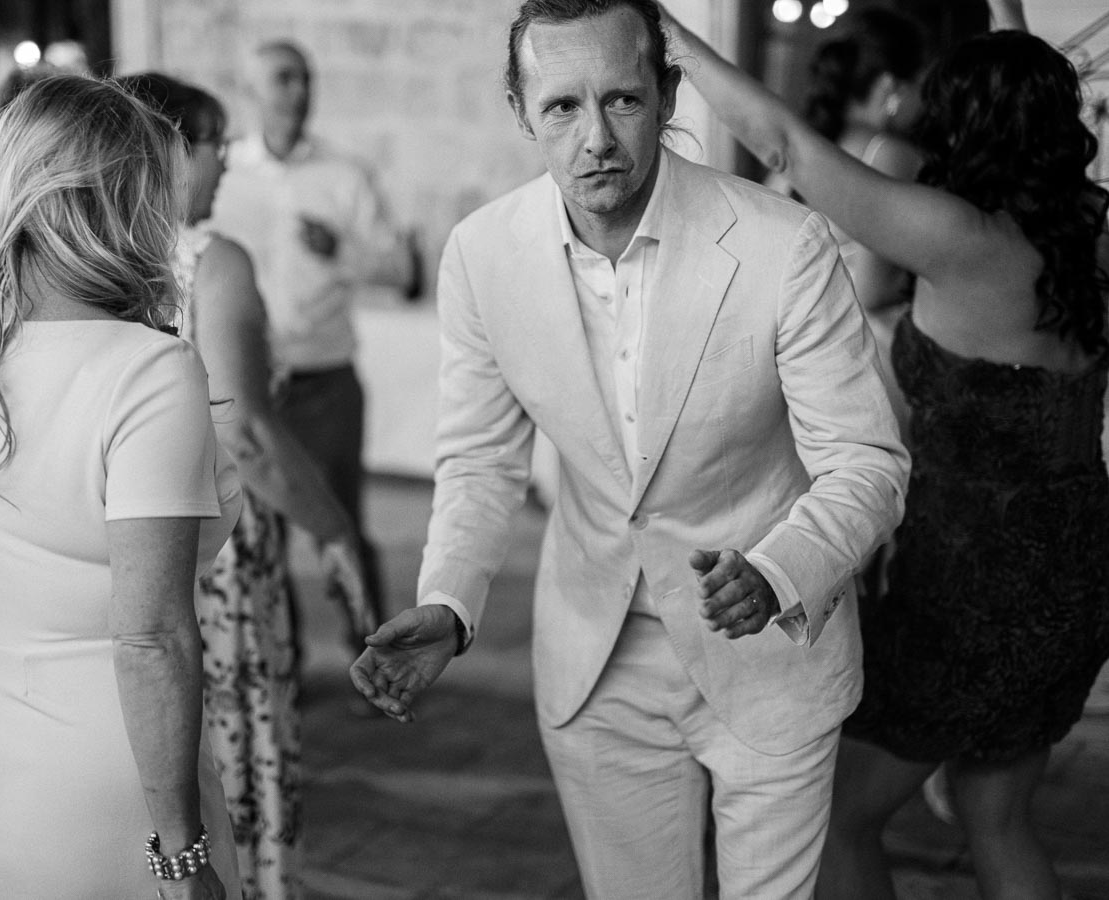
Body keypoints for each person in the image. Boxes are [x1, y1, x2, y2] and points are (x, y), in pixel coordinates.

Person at [351, 2, 909, 897]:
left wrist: (777, 568)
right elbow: (481, 462)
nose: (596, 138)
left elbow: (869, 462)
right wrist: (450, 601)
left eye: (622, 100)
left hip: (770, 650)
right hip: (594, 658)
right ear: (520, 107)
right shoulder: (481, 254)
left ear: (668, 93)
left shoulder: (781, 245)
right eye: (563, 106)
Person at [656, 1, 1109, 897]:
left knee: (839, 817)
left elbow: (782, 144)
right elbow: (1030, 75)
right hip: (1075, 571)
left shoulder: (955, 236)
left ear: (964, 123)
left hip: (970, 589)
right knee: (996, 818)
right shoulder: (1093, 228)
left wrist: (659, 27)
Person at [0, 75, 243, 899]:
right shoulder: (147, 371)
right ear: (128, 203)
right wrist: (182, 854)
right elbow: (150, 639)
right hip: (95, 781)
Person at [119, 71, 369, 900]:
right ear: (168, 150)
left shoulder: (92, 260)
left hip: (130, 551)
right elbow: (249, 436)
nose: (224, 160)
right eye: (211, 141)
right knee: (226, 749)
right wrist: (334, 532)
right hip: (211, 553)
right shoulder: (207, 261)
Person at [209, 39, 416, 661]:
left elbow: (403, 273)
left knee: (341, 522)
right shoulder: (218, 178)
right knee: (258, 537)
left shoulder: (345, 175)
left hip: (325, 380)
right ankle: (284, 666)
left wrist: (343, 253)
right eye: (282, 79)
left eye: (305, 78)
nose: (299, 91)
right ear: (249, 92)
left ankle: (372, 649)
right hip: (247, 386)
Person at [781, 7, 928, 425]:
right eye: (919, 83)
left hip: (799, 360)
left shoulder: (795, 156)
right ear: (891, 86)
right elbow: (871, 291)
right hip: (870, 359)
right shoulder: (889, 155)